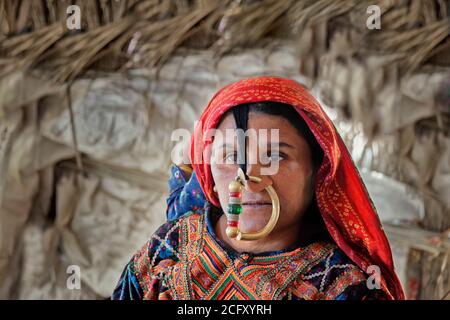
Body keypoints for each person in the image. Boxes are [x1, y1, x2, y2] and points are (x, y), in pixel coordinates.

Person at [111, 76, 405, 300]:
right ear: (209, 169)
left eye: (275, 156)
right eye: (231, 157)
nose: (248, 178)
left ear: (319, 170)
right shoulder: (171, 243)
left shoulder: (343, 285)